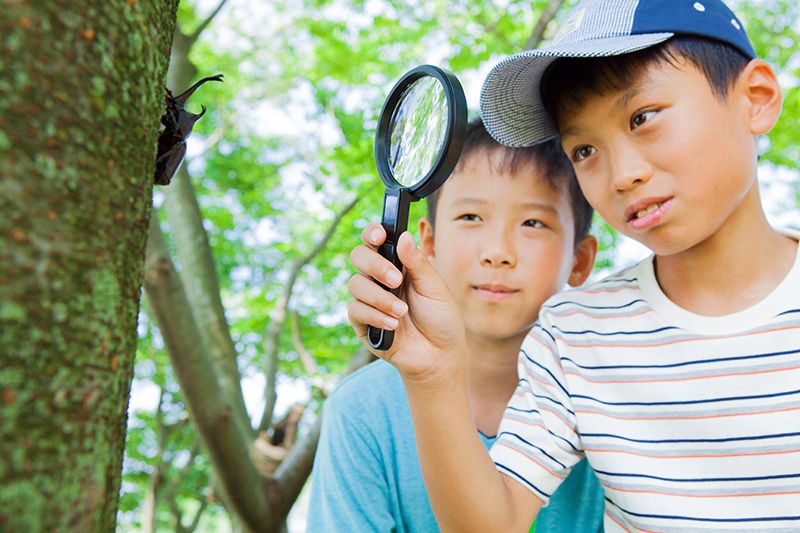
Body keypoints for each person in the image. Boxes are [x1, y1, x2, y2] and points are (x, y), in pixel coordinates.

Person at [347, 0, 800, 531]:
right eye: (584, 149)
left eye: (642, 117)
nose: (622, 173)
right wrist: (434, 374)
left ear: (757, 99)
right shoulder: (574, 334)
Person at [309, 119, 606, 532]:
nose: (498, 252)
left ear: (580, 260)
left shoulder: (611, 401)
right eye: (470, 216)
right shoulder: (363, 411)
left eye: (533, 223)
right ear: (427, 242)